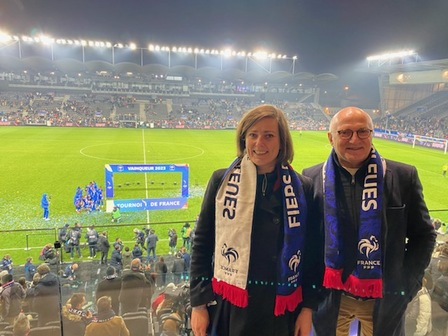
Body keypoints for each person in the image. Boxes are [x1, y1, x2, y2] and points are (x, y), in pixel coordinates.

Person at [302, 106, 437, 336]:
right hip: (332, 299)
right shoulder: (312, 178)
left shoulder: (403, 176)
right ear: (330, 137)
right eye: (345, 132)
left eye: (362, 131)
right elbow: (308, 242)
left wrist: (407, 286)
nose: (354, 139)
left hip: (384, 301)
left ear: (372, 134)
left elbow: (424, 235)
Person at [190, 104, 321, 336]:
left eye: (269, 135)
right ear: (244, 139)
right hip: (230, 303)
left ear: (282, 142)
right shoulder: (221, 181)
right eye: (253, 135)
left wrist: (308, 307)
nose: (259, 144)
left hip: (281, 308)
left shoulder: (302, 188)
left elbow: (312, 254)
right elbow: (202, 243)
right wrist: (199, 304)